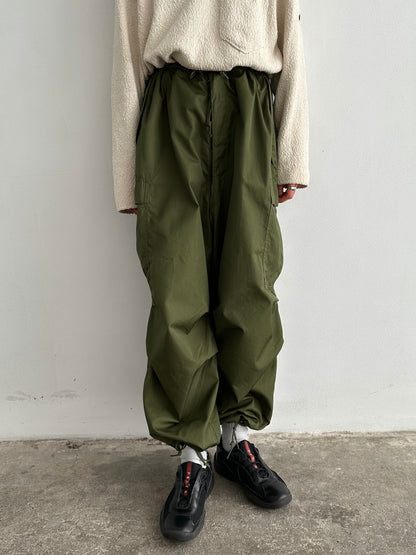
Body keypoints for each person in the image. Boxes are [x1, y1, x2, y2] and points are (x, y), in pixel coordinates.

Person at [111, 0, 310, 542]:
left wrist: (292, 153)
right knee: (177, 289)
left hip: (250, 104)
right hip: (170, 106)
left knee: (251, 284)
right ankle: (191, 454)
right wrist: (127, 177)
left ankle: (234, 438)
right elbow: (128, 48)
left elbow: (290, 34)